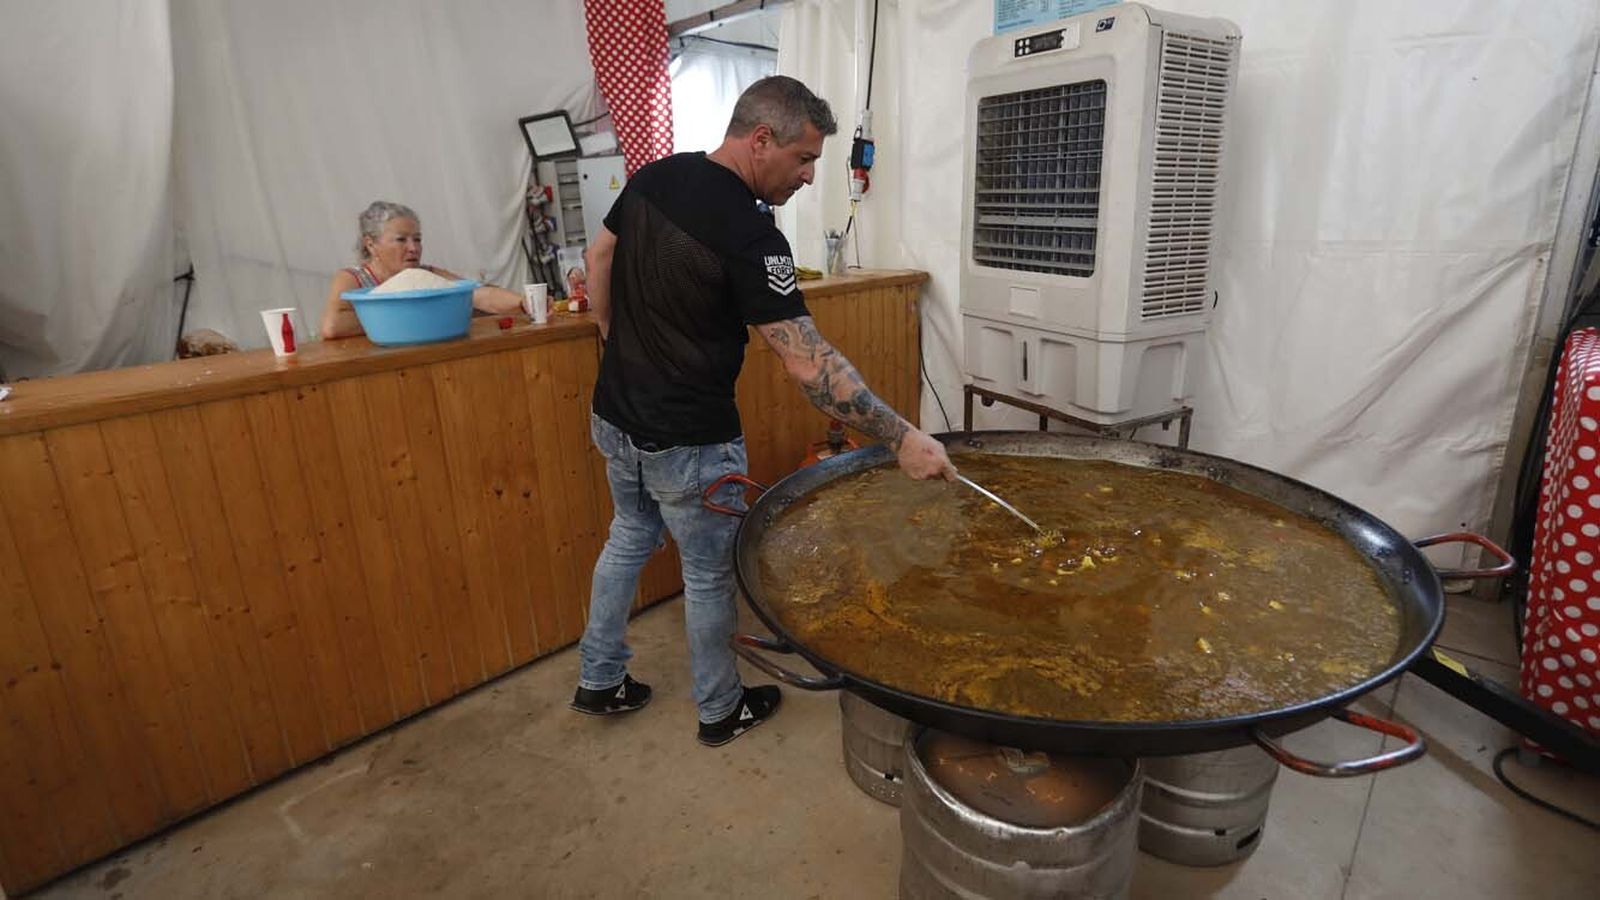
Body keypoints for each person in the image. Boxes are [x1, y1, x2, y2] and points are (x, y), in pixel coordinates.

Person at [570, 76, 956, 747]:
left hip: (616, 413)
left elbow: (599, 254)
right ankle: (721, 709)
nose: (809, 177)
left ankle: (599, 680)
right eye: (804, 159)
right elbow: (808, 363)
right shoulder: (752, 237)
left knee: (628, 537)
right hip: (689, 438)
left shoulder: (655, 177)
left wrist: (611, 336)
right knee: (708, 574)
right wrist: (901, 437)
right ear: (760, 140)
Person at [319, 201, 523, 340]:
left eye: (417, 239)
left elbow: (478, 294)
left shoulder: (429, 275)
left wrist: (525, 302)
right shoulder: (353, 279)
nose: (413, 248)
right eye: (401, 240)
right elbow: (332, 326)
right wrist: (416, 314)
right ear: (371, 244)